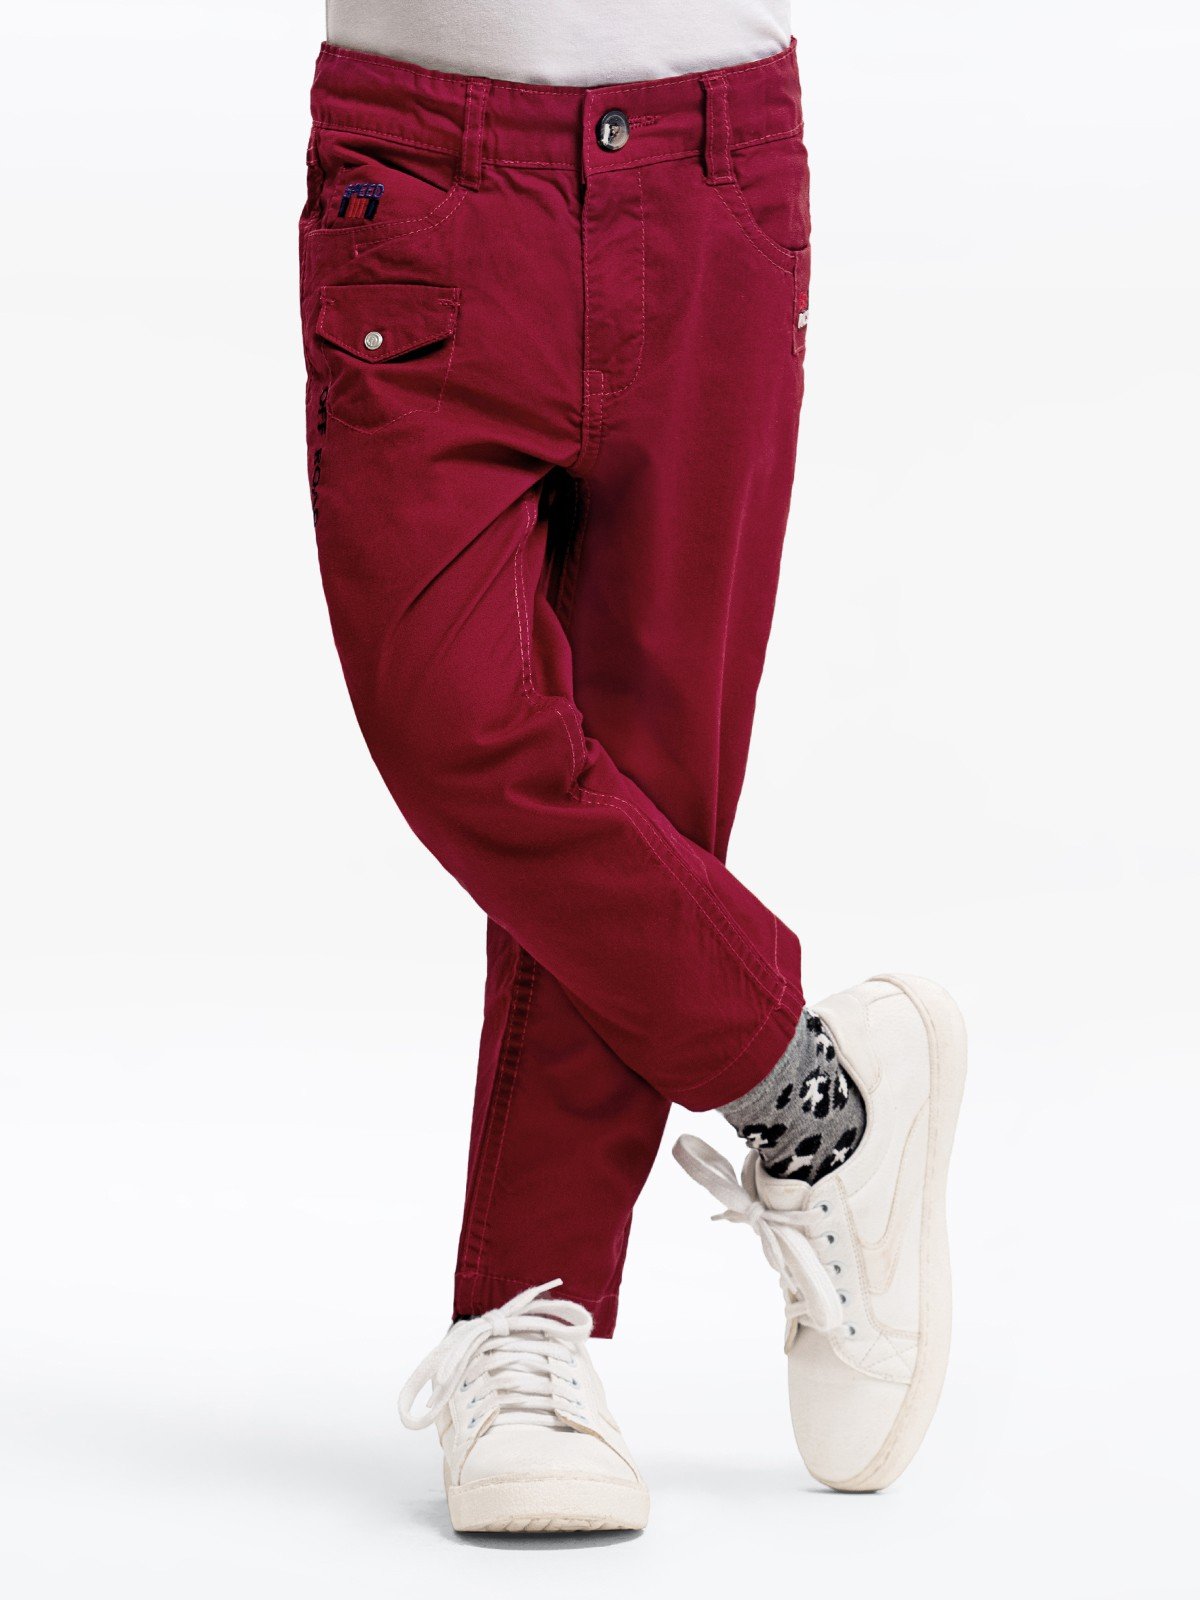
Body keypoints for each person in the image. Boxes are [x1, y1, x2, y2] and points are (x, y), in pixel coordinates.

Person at [299, 0, 967, 1533]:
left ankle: (530, 1336)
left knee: (649, 784)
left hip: (709, 164)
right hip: (424, 171)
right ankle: (817, 1098)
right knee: (453, 722)